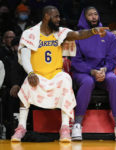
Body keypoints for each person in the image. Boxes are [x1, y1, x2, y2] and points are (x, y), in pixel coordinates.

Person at [11, 5, 108, 142]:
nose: (59, 19)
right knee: (26, 85)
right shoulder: (30, 33)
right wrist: (31, 72)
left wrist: (93, 31)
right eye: (56, 16)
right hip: (37, 75)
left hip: (55, 74)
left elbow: (78, 35)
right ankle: (21, 127)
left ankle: (64, 128)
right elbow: (25, 56)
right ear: (46, 16)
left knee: (65, 78)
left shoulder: (60, 32)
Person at [71, 6, 116, 142]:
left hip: (103, 72)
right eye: (90, 15)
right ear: (84, 17)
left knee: (113, 80)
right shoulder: (76, 36)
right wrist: (91, 71)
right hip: (84, 73)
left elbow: (112, 60)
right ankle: (77, 124)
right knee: (88, 82)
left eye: (95, 14)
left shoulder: (109, 36)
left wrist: (104, 70)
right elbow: (76, 62)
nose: (94, 17)